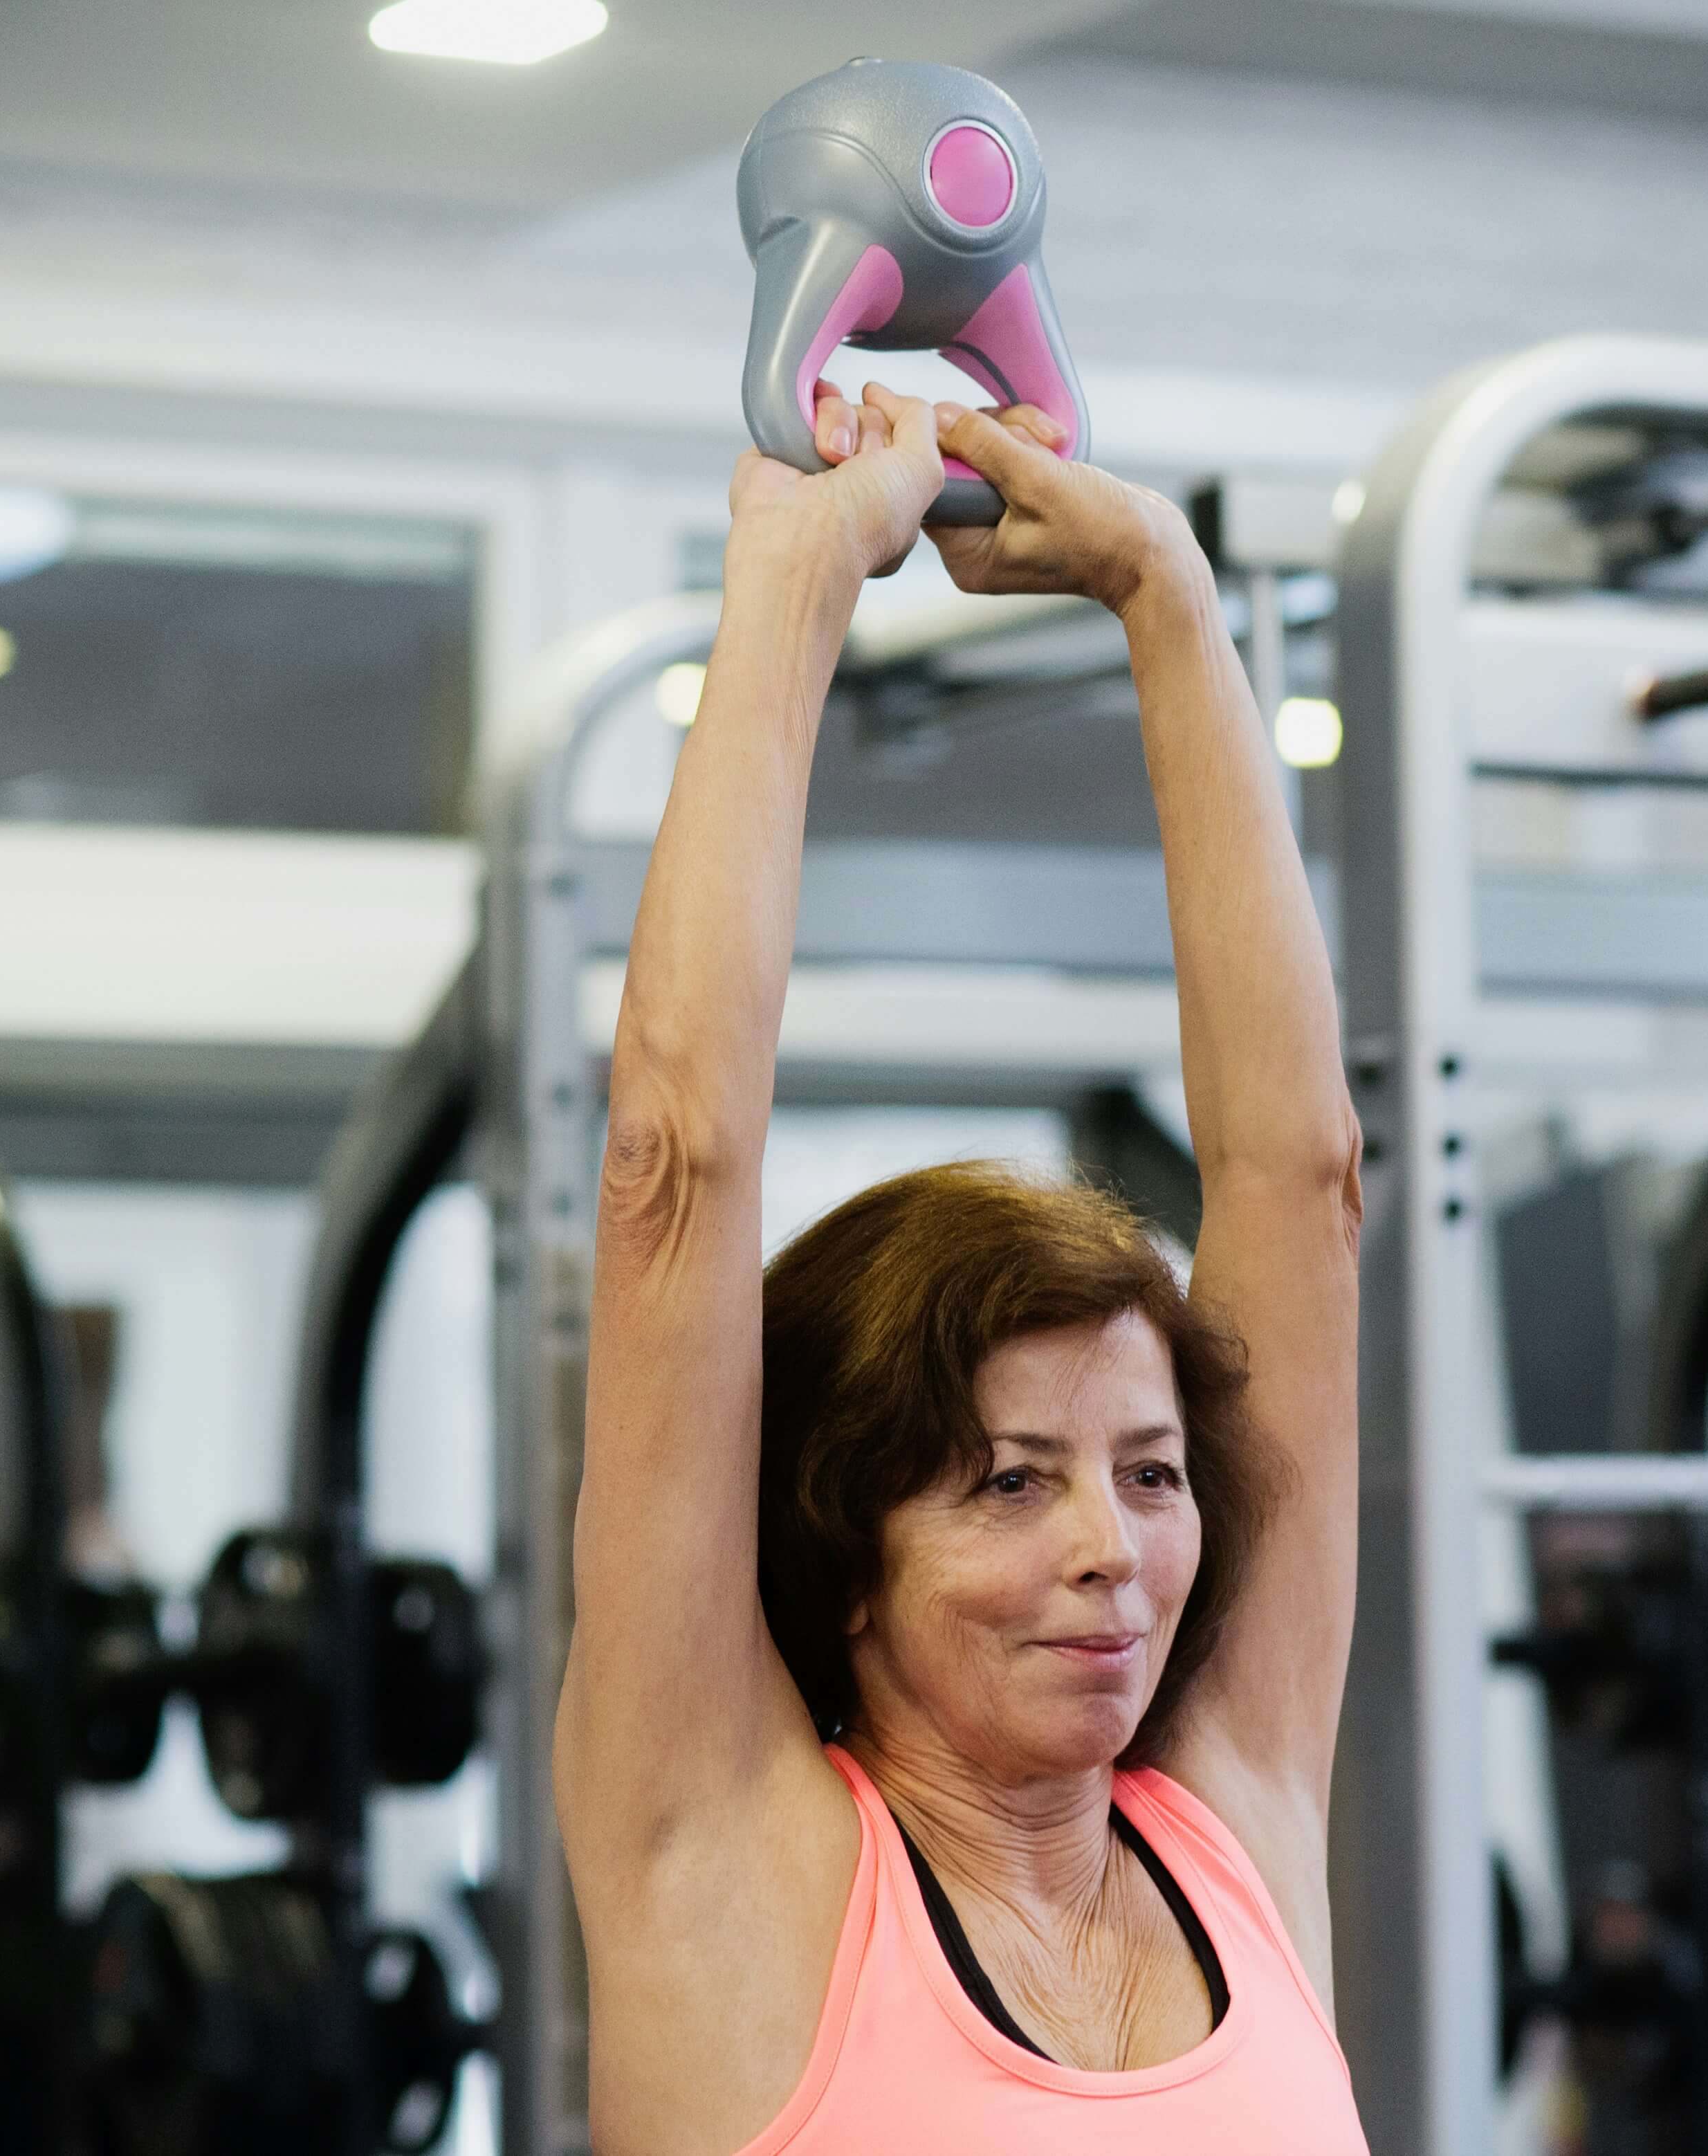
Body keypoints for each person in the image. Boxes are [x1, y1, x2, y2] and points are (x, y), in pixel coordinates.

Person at [553, 383, 1370, 2154]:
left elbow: (1300, 1179)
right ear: (846, 1549)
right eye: (1008, 1481)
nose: (1110, 1551)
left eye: (1147, 1474)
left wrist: (1166, 595)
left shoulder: (1234, 1830)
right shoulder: (728, 1870)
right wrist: (787, 581)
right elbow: (672, 1170)